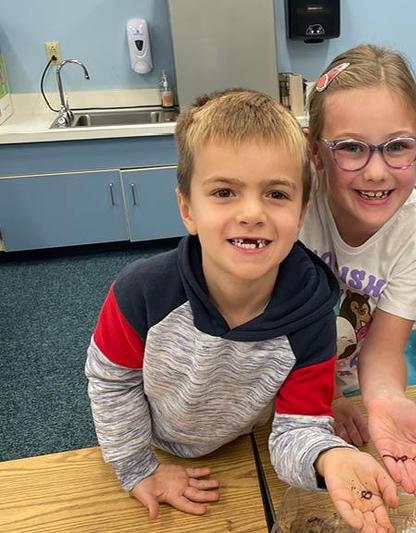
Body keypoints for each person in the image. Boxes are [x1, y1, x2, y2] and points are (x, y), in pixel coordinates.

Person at [85, 89, 397, 532]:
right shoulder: (141, 293)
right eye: (225, 192)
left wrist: (332, 456)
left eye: (275, 194)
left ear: (301, 210)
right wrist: (137, 466)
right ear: (188, 209)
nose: (251, 213)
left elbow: (297, 429)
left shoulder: (312, 316)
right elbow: (111, 381)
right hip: (158, 446)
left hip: (246, 445)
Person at [301, 44, 416, 498]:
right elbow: (261, 336)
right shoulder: (293, 207)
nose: (377, 171)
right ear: (317, 152)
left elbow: (383, 352)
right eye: (350, 148)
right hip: (262, 392)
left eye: (398, 147)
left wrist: (384, 400)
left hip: (337, 399)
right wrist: (321, 400)